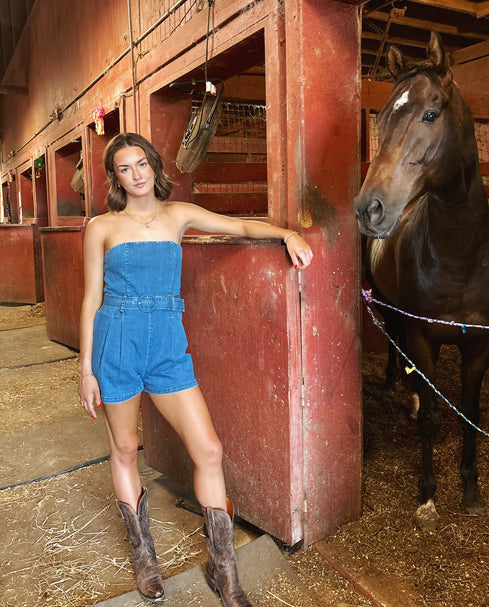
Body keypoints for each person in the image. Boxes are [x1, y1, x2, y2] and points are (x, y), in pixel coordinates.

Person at [78, 132, 313, 605]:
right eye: (125, 168)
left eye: (141, 163)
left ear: (154, 165)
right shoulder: (100, 227)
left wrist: (286, 233)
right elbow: (90, 299)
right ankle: (144, 555)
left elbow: (241, 227)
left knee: (208, 448)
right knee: (125, 447)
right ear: (115, 178)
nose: (137, 174)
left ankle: (223, 570)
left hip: (167, 341)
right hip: (116, 340)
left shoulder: (178, 214)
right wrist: (85, 369)